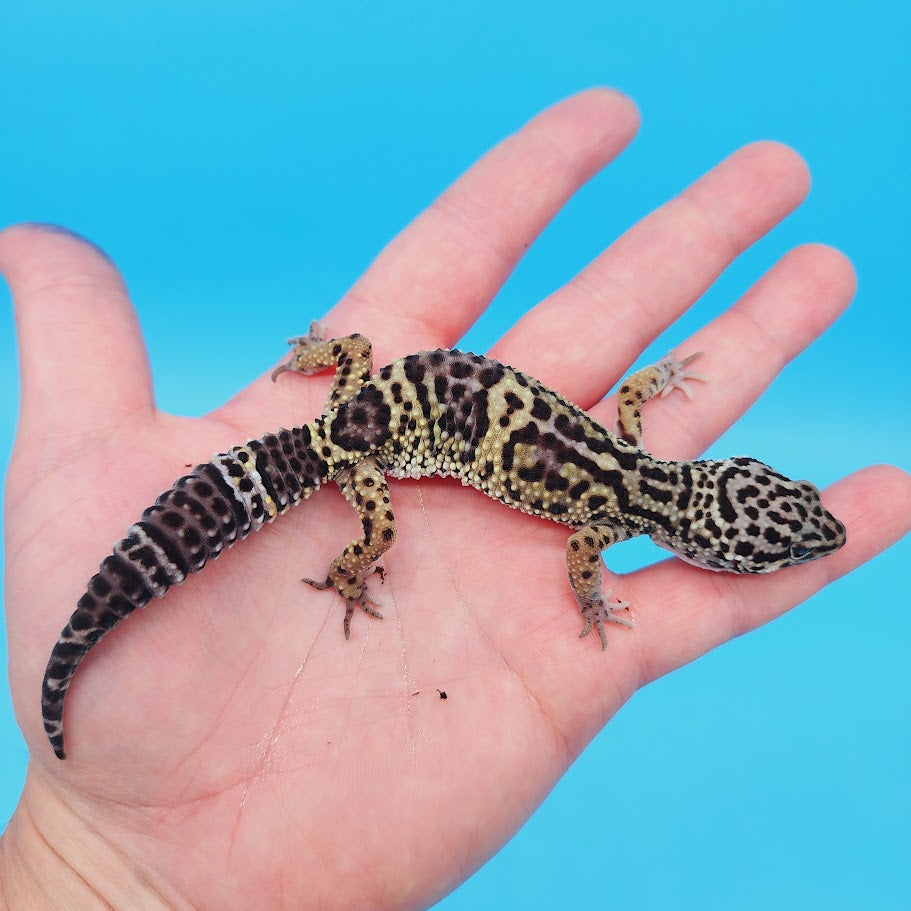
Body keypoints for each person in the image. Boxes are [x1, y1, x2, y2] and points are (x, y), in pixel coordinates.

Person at [0, 89, 907, 910]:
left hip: (362, 390)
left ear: (727, 492)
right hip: (358, 445)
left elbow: (630, 393)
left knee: (313, 442)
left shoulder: (626, 461)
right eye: (778, 534)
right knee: (378, 533)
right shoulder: (612, 514)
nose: (793, 533)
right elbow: (581, 554)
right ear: (710, 535)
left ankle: (325, 369)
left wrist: (656, 373)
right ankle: (347, 571)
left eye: (781, 526)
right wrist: (585, 598)